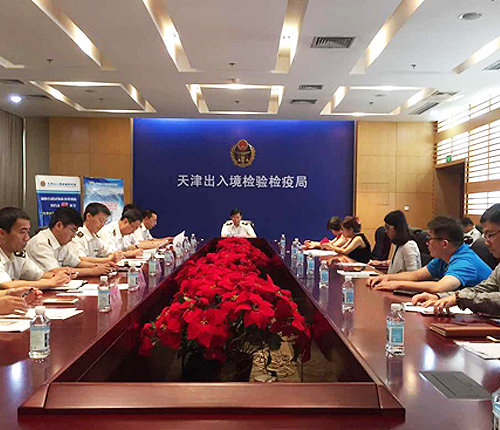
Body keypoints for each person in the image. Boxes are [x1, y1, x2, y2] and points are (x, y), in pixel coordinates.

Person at [367, 216, 492, 293]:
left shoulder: (464, 262)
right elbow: (416, 275)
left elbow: (439, 287)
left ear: (444, 244)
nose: (426, 243)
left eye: (429, 239)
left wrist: (397, 284)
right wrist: (387, 278)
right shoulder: (444, 257)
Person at [412, 205, 500, 315]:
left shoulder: (465, 260)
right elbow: (482, 289)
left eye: (490, 235)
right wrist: (441, 297)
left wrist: (459, 299)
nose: (486, 242)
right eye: (485, 236)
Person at [26, 206, 113, 277]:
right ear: (59, 225)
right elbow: (55, 271)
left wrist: (101, 267)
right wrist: (92, 271)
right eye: (72, 230)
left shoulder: (62, 242)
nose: (74, 235)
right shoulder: (40, 243)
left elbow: (77, 263)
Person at [0, 206, 72, 290]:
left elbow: (39, 275)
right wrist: (50, 282)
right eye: (22, 232)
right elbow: (6, 285)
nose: (27, 238)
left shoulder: (18, 254)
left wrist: (59, 276)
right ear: (2, 234)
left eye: (28, 232)